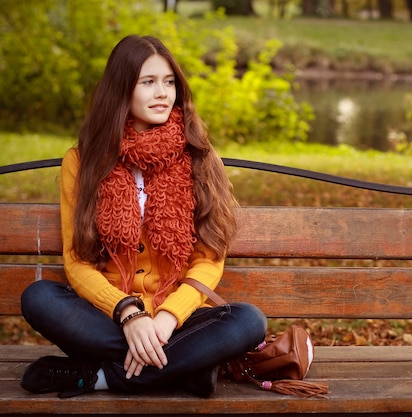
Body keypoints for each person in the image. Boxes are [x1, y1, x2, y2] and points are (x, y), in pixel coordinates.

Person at [19, 35, 268, 398]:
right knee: (39, 297)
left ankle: (100, 377)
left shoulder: (198, 154)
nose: (162, 93)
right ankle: (186, 372)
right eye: (148, 82)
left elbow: (209, 258)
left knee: (248, 321)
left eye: (169, 82)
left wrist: (165, 319)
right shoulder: (83, 161)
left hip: (177, 320)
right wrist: (128, 314)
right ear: (122, 90)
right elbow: (78, 263)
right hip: (109, 316)